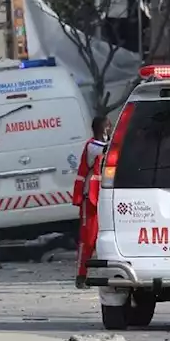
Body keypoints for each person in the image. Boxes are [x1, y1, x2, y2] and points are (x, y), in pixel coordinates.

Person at [73, 115, 110, 289]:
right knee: (87, 238)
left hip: (105, 194)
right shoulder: (93, 146)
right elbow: (107, 150)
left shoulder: (101, 143)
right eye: (106, 127)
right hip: (92, 196)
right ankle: (81, 276)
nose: (108, 130)